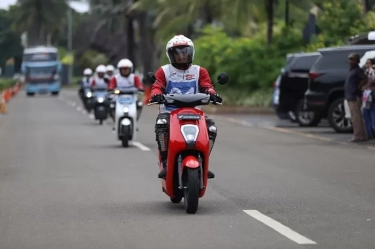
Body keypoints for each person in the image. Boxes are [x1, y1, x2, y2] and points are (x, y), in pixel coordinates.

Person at [149, 34, 222, 179]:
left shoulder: (199, 71)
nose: (181, 56)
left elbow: (207, 85)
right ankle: (165, 162)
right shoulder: (164, 71)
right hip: (170, 113)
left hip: (194, 114)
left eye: (184, 52)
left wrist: (212, 93)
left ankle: (204, 163)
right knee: (161, 123)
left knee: (211, 128)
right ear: (170, 55)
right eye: (177, 53)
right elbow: (157, 86)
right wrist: (156, 94)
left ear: (191, 52)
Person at [345, 53, 368, 142]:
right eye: (349, 59)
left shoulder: (358, 70)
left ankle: (357, 135)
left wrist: (359, 86)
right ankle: (363, 135)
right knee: (358, 116)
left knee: (355, 117)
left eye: (352, 59)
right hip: (350, 95)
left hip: (354, 96)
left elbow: (365, 79)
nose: (350, 61)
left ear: (357, 61)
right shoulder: (351, 70)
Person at [361, 59, 375, 139]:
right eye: (366, 63)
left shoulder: (372, 71)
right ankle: (369, 132)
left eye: (369, 63)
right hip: (366, 95)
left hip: (372, 95)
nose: (367, 65)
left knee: (372, 113)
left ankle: (371, 131)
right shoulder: (365, 72)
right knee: (366, 113)